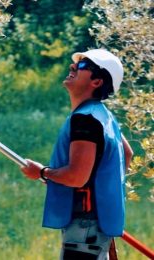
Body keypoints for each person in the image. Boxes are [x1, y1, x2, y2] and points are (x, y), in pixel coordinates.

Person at [21, 49, 133, 260]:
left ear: (97, 82)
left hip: (84, 229)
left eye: (82, 66)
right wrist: (105, 202)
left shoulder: (85, 119)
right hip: (94, 228)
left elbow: (77, 176)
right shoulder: (103, 116)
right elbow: (126, 154)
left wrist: (44, 173)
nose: (72, 67)